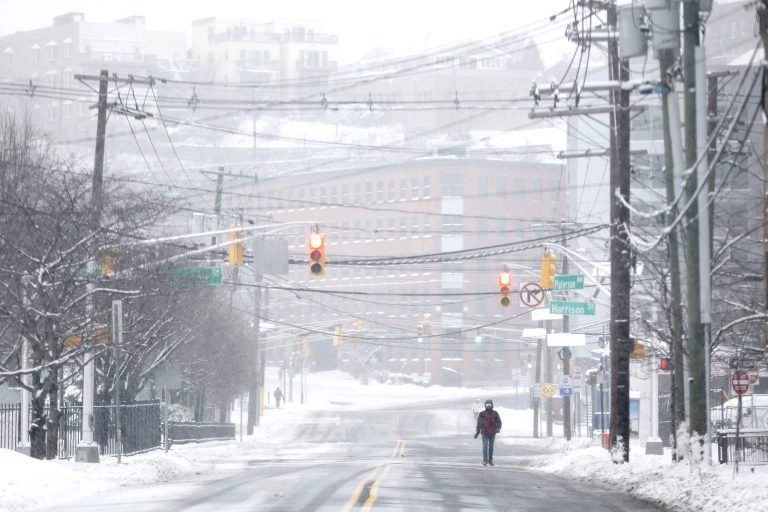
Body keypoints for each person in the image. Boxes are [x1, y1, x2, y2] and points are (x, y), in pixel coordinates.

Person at [474, 399, 502, 466]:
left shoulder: (495, 413)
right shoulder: (482, 414)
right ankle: (485, 460)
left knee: (491, 447)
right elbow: (479, 423)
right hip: (484, 433)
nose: (488, 406)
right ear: (485, 406)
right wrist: (477, 432)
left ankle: (490, 460)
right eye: (487, 405)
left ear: (492, 405)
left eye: (490, 405)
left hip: (492, 432)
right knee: (485, 446)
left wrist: (498, 428)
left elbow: (499, 422)